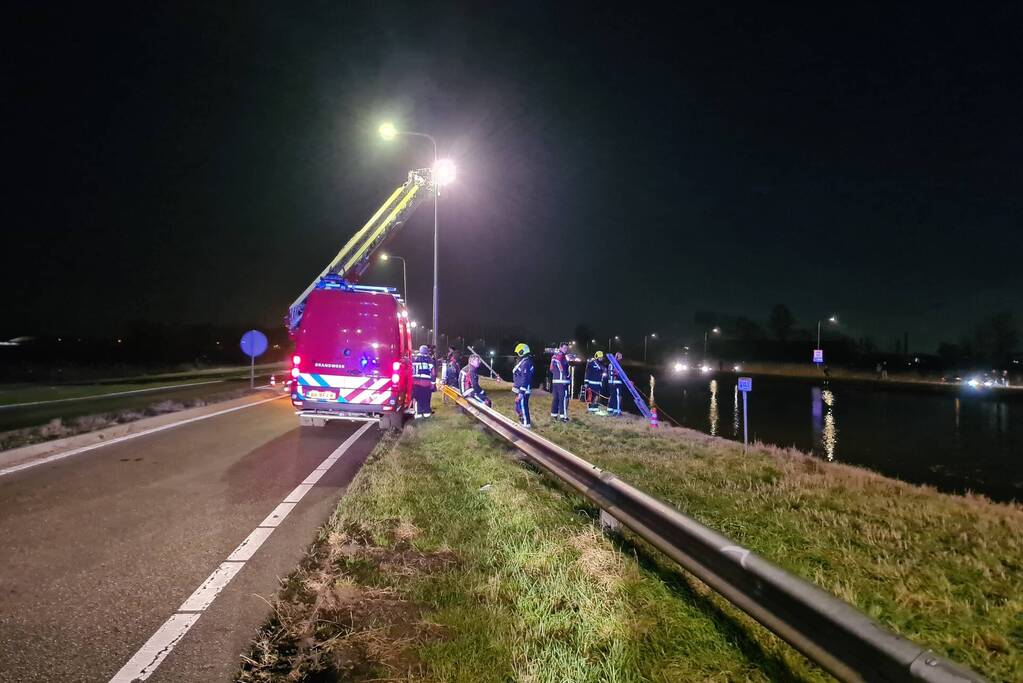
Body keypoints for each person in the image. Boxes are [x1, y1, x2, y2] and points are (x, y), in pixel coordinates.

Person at [512, 343, 535, 427]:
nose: (517, 354)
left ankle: (526, 424)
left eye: (518, 352)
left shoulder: (526, 363)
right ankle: (522, 421)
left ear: (522, 351)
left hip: (523, 390)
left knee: (523, 406)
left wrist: (521, 393)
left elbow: (526, 379)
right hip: (519, 389)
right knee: (519, 407)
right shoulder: (523, 361)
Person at [411, 345, 436, 418]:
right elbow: (433, 373)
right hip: (426, 383)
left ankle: (418, 414)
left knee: (417, 398)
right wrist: (433, 384)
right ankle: (426, 413)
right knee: (426, 398)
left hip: (416, 383)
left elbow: (411, 370)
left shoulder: (414, 359)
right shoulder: (430, 360)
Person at [550, 342, 570, 421]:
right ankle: (563, 417)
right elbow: (561, 367)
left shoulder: (554, 356)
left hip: (555, 381)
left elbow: (551, 369)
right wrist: (566, 376)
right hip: (562, 381)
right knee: (564, 399)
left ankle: (554, 416)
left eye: (567, 348)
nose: (566, 349)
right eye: (564, 348)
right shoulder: (561, 356)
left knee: (555, 399)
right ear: (560, 347)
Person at [607, 352, 624, 416]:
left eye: (621, 356)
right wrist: (612, 381)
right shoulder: (613, 364)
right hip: (615, 383)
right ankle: (617, 411)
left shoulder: (617, 363)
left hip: (616, 382)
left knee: (613, 396)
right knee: (617, 396)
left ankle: (610, 410)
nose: (621, 357)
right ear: (616, 357)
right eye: (620, 356)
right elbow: (611, 373)